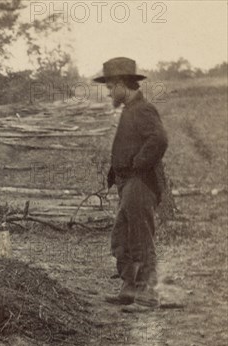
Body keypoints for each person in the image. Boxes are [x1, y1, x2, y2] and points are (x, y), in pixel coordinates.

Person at [94, 57, 168, 312]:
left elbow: (159, 140)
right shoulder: (130, 110)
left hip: (140, 183)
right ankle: (130, 288)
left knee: (140, 238)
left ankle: (148, 294)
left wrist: (137, 164)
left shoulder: (143, 109)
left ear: (124, 84)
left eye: (111, 87)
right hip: (128, 183)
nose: (109, 92)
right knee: (121, 237)